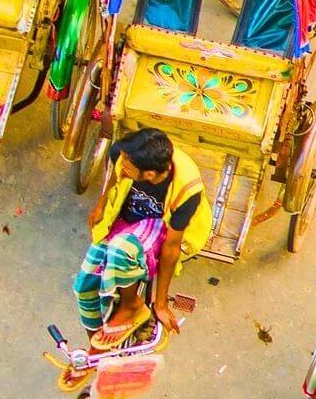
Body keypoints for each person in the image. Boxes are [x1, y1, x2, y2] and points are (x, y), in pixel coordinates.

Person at [66, 128, 211, 382]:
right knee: (85, 284)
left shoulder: (186, 189)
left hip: (161, 228)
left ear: (151, 175)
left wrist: (161, 303)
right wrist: (101, 204)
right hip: (124, 220)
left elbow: (171, 248)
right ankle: (98, 352)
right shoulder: (125, 155)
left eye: (129, 166)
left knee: (120, 249)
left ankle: (133, 306)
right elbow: (115, 176)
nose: (123, 164)